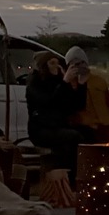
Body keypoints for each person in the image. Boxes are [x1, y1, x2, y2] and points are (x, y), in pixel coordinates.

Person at [26, 51, 93, 206]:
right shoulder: (35, 83)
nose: (56, 67)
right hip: (41, 129)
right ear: (44, 66)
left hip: (59, 126)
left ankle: (86, 179)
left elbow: (76, 106)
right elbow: (49, 103)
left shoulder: (58, 81)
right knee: (73, 138)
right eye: (52, 63)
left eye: (58, 63)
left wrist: (82, 84)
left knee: (89, 135)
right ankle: (72, 182)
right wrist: (64, 82)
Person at [65, 46, 109, 142]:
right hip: (85, 128)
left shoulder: (99, 81)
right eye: (76, 64)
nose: (81, 66)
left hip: (104, 126)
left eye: (82, 62)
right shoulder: (69, 84)